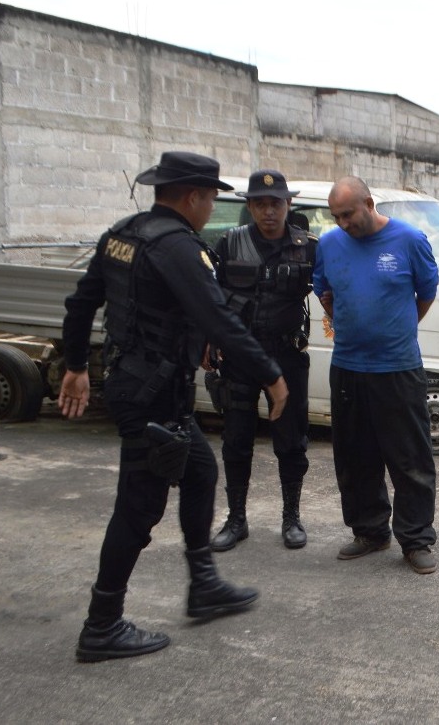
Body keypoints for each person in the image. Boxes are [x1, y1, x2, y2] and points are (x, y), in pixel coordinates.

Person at [59, 151, 289, 662]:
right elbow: (219, 319)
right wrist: (272, 376)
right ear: (193, 197)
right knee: (137, 510)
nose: (212, 209)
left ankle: (203, 584)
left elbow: (80, 304)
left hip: (139, 383)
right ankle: (102, 625)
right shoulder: (179, 248)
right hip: (151, 395)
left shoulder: (125, 233)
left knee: (201, 472)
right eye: (211, 199)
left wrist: (75, 365)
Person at [312, 175, 439, 574]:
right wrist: (348, 322)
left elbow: (426, 293)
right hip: (348, 367)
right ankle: (369, 531)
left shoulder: (409, 240)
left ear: (369, 203)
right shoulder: (329, 244)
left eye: (348, 214)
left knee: (409, 457)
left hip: (398, 367)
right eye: (336, 217)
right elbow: (324, 290)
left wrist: (396, 329)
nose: (343, 223)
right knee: (354, 455)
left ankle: (416, 539)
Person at [207, 169, 316, 552]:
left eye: (276, 203)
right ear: (250, 206)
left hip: (287, 355)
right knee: (236, 440)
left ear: (289, 205)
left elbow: (335, 290)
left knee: (291, 441)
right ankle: (236, 519)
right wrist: (209, 341)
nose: (268, 211)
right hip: (240, 357)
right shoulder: (229, 244)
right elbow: (211, 300)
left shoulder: (308, 247)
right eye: (259, 203)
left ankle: (291, 518)